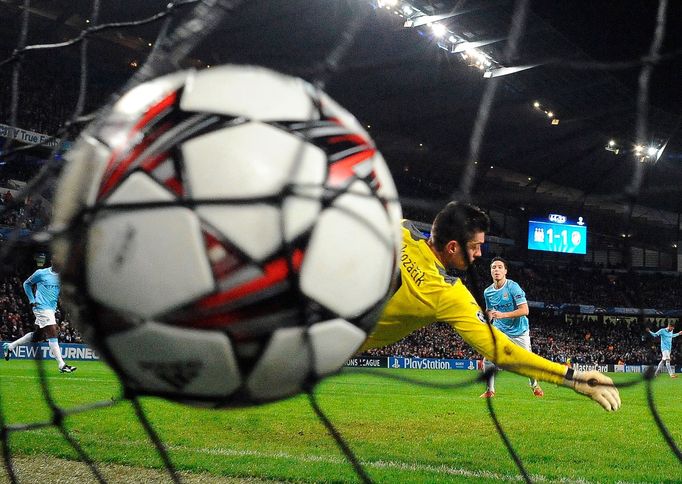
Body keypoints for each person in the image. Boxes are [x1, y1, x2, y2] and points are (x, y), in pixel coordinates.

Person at [358, 201, 620, 411]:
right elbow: (503, 351)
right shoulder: (447, 293)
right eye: (475, 247)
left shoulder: (402, 229)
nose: (479, 254)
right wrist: (573, 378)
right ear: (452, 247)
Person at [480, 257, 543, 398]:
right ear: (490, 271)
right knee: (488, 358)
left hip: (519, 331)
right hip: (500, 329)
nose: (496, 270)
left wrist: (502, 315)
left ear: (505, 271)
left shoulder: (513, 287)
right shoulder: (487, 292)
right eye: (493, 267)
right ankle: (490, 390)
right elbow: (490, 311)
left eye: (500, 267)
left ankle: (534, 385)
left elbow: (525, 310)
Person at [3, 260, 77, 373]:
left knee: (38, 336)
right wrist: (32, 300)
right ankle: (62, 365)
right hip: (41, 307)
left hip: (51, 309)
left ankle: (11, 346)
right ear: (52, 262)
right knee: (53, 331)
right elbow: (26, 284)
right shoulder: (41, 273)